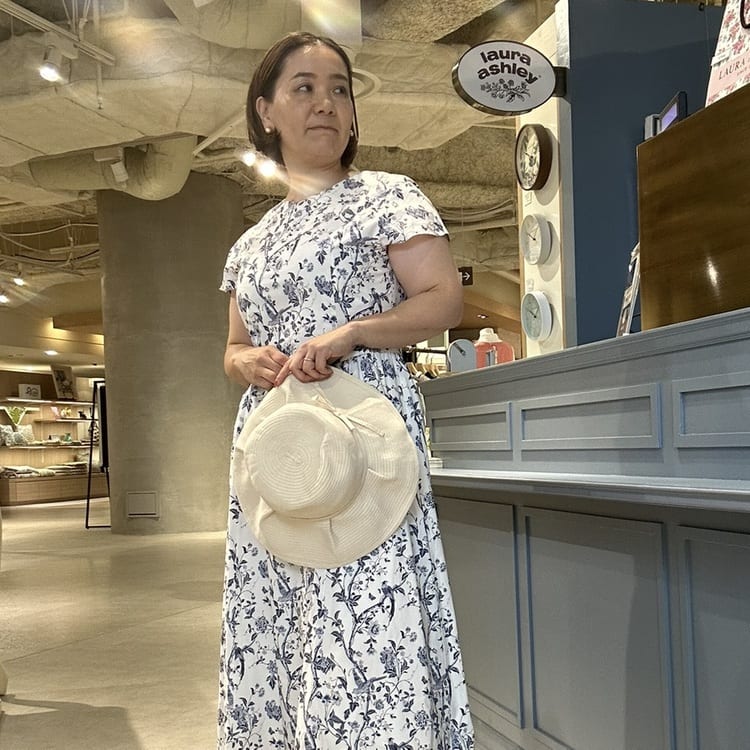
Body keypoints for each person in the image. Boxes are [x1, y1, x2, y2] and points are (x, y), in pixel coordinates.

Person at [218, 31, 474, 749]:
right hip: (281, 452)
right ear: (266, 111)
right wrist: (247, 363)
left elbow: (442, 301)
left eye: (339, 89)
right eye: (303, 88)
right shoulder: (251, 243)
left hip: (366, 441)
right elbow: (232, 347)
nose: (325, 103)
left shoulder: (388, 197)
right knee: (281, 618)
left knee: (368, 616)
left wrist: (354, 332)